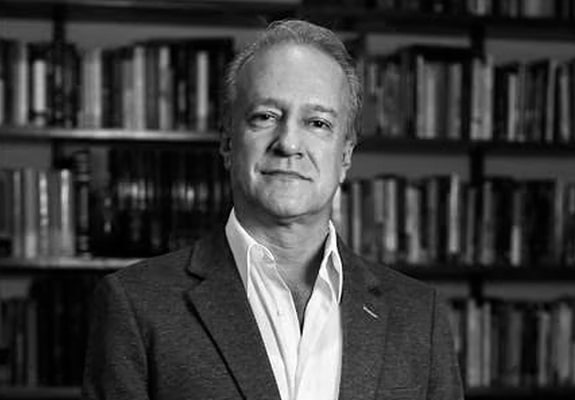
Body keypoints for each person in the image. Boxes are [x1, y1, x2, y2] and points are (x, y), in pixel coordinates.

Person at [82, 19, 464, 400]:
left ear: (345, 155)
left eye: (317, 122)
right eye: (265, 116)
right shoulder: (136, 305)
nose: (289, 143)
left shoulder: (420, 315)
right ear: (228, 143)